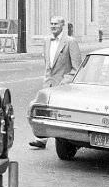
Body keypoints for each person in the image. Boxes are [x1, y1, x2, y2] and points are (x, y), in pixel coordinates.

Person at [29, 15, 82, 149]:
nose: (53, 26)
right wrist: (47, 77)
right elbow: (48, 63)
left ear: (62, 26)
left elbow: (77, 68)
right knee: (44, 109)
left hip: (63, 84)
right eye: (51, 24)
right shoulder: (47, 41)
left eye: (56, 24)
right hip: (49, 82)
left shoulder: (70, 42)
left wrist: (65, 81)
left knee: (62, 114)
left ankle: (67, 143)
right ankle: (41, 140)